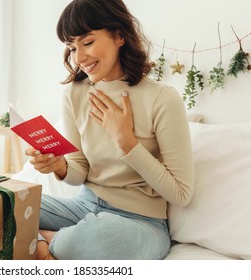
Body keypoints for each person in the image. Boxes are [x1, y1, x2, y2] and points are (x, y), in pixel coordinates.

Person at [25, 0, 194, 260]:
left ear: (120, 36)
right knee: (4, 202)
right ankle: (51, 243)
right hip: (82, 206)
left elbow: (181, 194)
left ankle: (44, 240)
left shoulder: (162, 99)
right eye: (72, 47)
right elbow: (79, 171)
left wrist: (128, 143)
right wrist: (58, 166)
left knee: (95, 237)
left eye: (88, 42)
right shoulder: (75, 94)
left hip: (141, 222)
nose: (79, 58)